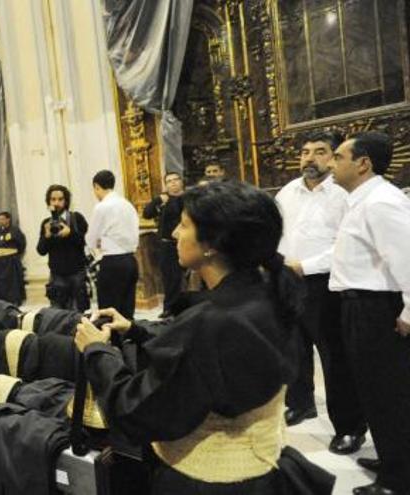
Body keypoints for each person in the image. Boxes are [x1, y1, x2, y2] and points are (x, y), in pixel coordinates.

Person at [75, 181, 334, 494]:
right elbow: (212, 362)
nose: (173, 234)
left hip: (208, 482)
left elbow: (138, 413)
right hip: (261, 467)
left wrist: (97, 351)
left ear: (212, 243)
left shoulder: (213, 322)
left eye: (183, 225)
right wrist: (136, 330)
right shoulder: (267, 290)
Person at [275, 131, 367, 453]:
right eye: (304, 152)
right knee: (293, 347)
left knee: (334, 357)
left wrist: (306, 265)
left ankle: (349, 426)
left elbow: (348, 246)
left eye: (319, 151)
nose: (309, 158)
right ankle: (300, 403)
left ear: (335, 156)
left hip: (327, 283)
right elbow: (278, 233)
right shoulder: (287, 192)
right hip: (288, 279)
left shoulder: (344, 194)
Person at [329, 132, 410, 495]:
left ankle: (399, 479)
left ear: (363, 163)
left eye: (338, 157)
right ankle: (392, 456)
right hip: (360, 305)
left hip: (376, 308)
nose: (332, 163)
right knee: (373, 390)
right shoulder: (362, 200)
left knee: (388, 393)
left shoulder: (380, 202)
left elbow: (407, 256)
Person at [87, 170, 139, 318]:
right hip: (131, 261)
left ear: (96, 186)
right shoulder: (128, 205)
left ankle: (114, 341)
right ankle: (129, 339)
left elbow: (91, 239)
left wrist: (96, 244)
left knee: (109, 311)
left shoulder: (102, 207)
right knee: (127, 309)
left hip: (112, 263)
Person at [37, 185, 89, 311]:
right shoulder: (46, 223)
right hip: (57, 277)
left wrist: (70, 233)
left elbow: (85, 242)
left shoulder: (77, 218)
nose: (57, 203)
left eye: (60, 199)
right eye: (53, 199)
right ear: (48, 202)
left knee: (78, 315)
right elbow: (41, 250)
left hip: (77, 274)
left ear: (66, 201)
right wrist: (47, 236)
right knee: (58, 315)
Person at [142, 172, 184, 317]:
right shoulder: (163, 199)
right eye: (169, 181)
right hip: (167, 245)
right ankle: (169, 308)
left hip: (186, 243)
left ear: (181, 181)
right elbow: (146, 213)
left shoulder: (188, 198)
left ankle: (185, 307)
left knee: (186, 279)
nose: (172, 183)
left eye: (175, 180)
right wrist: (158, 200)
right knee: (169, 278)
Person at [0, 211, 26, 305]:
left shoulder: (15, 230)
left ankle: (14, 300)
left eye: (2, 219)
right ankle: (2, 300)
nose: (1, 221)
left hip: (11, 260)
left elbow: (21, 244)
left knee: (12, 282)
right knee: (0, 282)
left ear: (8, 219)